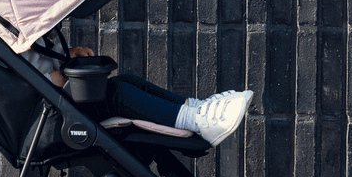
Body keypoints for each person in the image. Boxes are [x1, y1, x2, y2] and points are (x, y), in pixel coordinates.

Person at [34, 46, 252, 146]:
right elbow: (22, 85)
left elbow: (37, 60)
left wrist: (65, 56)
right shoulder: (12, 31)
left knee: (126, 81)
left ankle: (196, 108)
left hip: (54, 103)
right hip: (45, 120)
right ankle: (197, 121)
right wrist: (54, 78)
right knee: (118, 94)